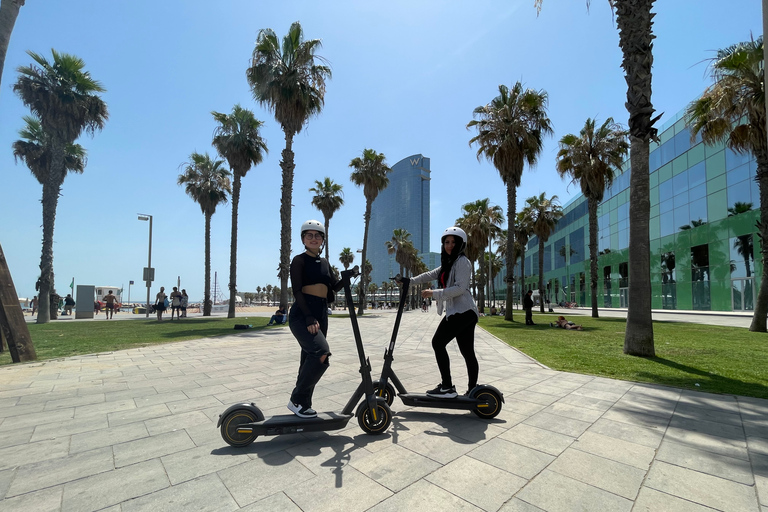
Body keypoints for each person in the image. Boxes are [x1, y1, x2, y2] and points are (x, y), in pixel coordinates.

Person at [402, 226, 479, 398]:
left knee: (438, 343)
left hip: (464, 312)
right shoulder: (447, 264)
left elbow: (460, 288)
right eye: (446, 242)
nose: (449, 245)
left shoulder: (462, 262)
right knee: (466, 352)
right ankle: (472, 391)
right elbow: (429, 275)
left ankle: (448, 387)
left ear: (461, 244)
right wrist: (409, 281)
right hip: (458, 313)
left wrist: (434, 294)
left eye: (453, 242)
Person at [287, 220, 344, 418]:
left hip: (321, 311)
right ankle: (297, 399)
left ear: (323, 240)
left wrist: (349, 276)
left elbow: (334, 287)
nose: (313, 239)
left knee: (309, 358)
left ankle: (303, 404)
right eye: (309, 235)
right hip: (303, 314)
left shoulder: (325, 263)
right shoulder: (299, 260)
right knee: (321, 353)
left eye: (317, 235)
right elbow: (296, 290)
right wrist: (309, 317)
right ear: (303, 239)